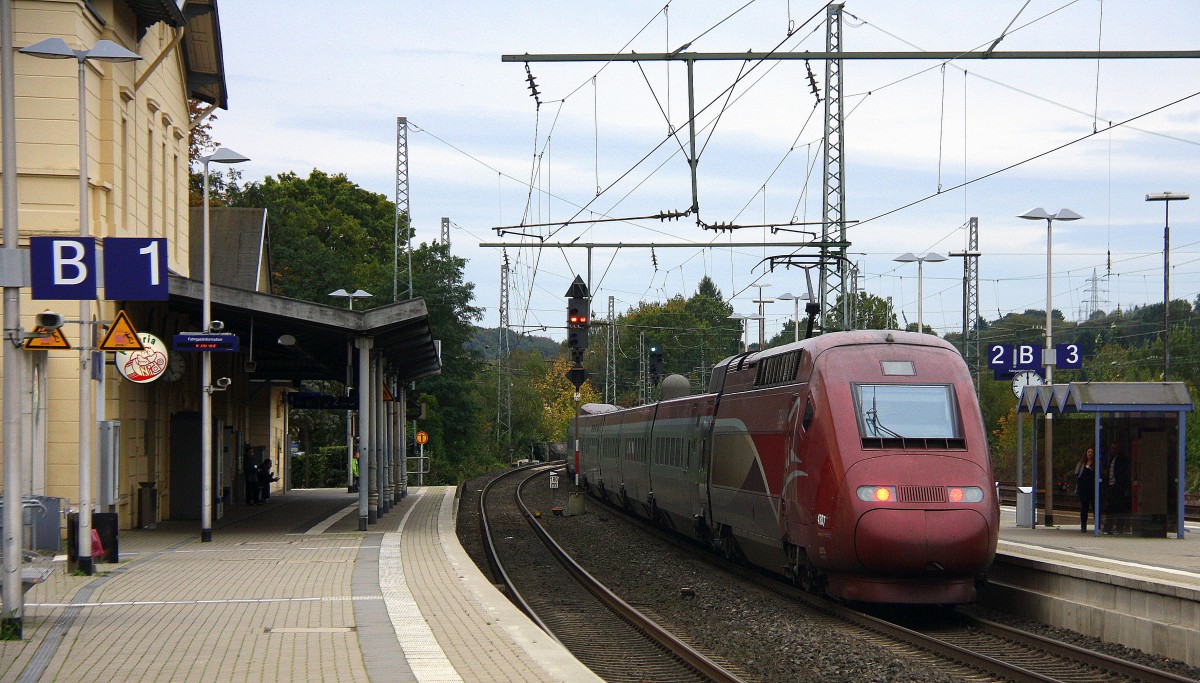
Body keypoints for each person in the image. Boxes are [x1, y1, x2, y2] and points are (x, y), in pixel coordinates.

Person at [1074, 447, 1096, 533]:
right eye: (1089, 452)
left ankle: (1097, 525)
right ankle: (1083, 525)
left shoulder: (1095, 464)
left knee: (1095, 507)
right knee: (1084, 508)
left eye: (1092, 452)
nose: (1090, 454)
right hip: (1083, 489)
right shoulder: (1082, 463)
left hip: (1093, 488)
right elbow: (1077, 474)